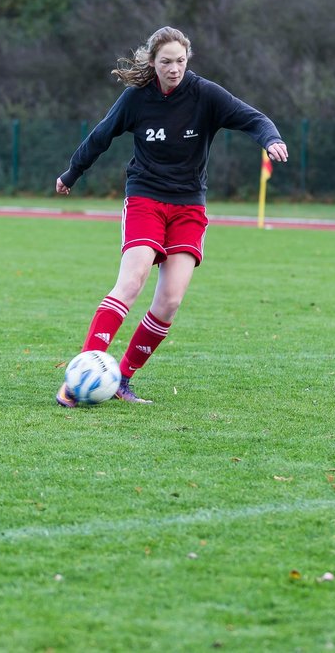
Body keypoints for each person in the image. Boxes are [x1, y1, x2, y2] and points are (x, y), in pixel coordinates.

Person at [53, 26, 289, 406]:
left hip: (189, 206)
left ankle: (122, 380)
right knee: (132, 280)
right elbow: (101, 135)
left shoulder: (206, 94)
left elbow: (253, 118)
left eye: (180, 61)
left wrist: (271, 139)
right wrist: (72, 173)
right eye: (166, 62)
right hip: (146, 197)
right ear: (152, 62)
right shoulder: (136, 99)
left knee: (169, 302)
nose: (175, 68)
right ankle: (80, 373)